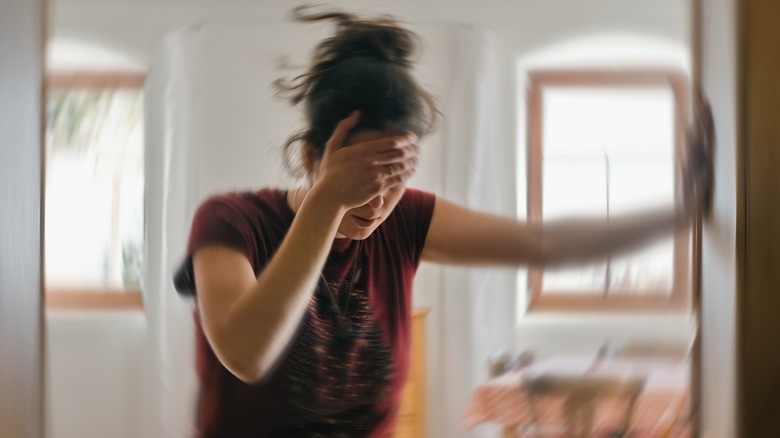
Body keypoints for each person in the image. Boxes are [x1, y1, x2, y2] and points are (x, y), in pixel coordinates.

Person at [173, 6, 713, 438]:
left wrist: (682, 211)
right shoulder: (230, 221)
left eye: (395, 175)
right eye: (360, 173)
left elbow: (544, 243)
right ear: (314, 156)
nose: (377, 198)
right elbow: (246, 354)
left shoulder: (406, 221)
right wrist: (328, 202)